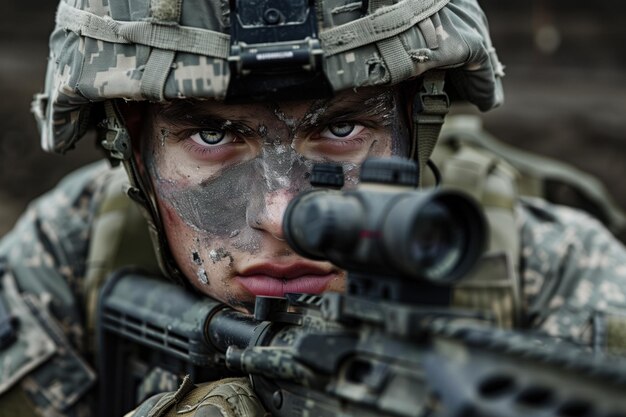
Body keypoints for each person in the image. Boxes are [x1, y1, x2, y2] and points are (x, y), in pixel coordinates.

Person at [1, 0, 626, 416]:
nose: (280, 215)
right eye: (214, 136)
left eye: (345, 129)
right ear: (131, 146)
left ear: (419, 125)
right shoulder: (60, 265)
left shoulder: (558, 273)